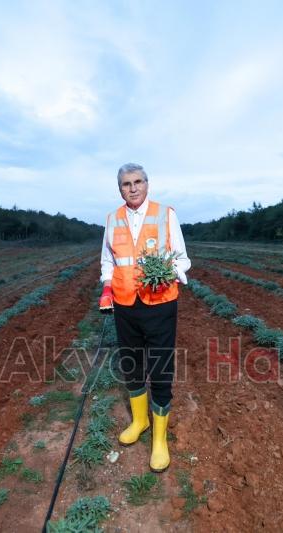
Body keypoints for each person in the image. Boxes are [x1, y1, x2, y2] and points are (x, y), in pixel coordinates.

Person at [98, 163, 191, 472]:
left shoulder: (166, 214)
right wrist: (107, 288)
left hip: (160, 301)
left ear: (147, 184)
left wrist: (170, 272)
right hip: (126, 304)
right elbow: (108, 261)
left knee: (161, 367)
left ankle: (160, 439)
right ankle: (140, 421)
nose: (133, 188)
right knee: (132, 364)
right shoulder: (112, 219)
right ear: (120, 188)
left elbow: (182, 258)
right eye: (126, 184)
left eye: (138, 182)